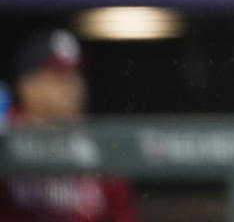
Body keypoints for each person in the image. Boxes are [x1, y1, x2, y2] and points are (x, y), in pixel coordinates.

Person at [0, 29, 139, 221]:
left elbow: (122, 214)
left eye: (76, 75)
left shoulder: (100, 144)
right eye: (60, 76)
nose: (74, 86)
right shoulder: (5, 136)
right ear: (27, 85)